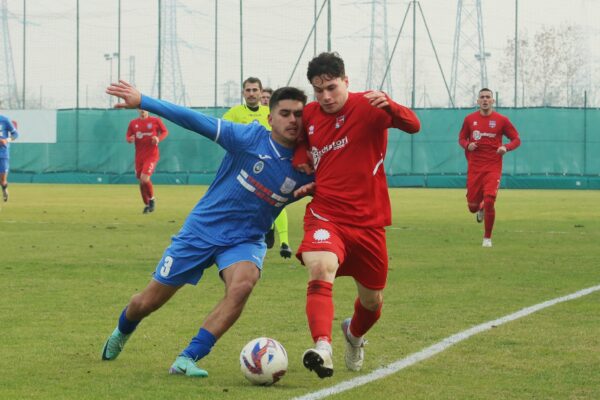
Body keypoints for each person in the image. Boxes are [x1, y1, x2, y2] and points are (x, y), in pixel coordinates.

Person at [101, 80, 312, 378]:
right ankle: (122, 331)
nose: (293, 120)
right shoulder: (248, 137)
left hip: (246, 239)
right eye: (285, 113)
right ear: (270, 117)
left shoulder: (310, 164)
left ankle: (188, 358)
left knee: (242, 286)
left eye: (299, 115)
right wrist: (144, 101)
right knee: (146, 302)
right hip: (201, 231)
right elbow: (194, 120)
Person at [292, 52, 421, 378]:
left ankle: (354, 335)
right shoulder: (309, 114)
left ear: (346, 81)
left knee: (372, 302)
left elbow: (413, 125)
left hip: (368, 222)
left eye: (332, 88)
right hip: (325, 214)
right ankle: (323, 347)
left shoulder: (370, 106)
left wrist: (391, 105)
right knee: (320, 267)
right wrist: (302, 159)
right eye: (318, 90)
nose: (325, 97)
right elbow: (302, 142)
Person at [223, 78, 293, 259]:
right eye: (248, 90)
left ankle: (284, 241)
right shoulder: (235, 112)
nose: (252, 93)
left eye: (255, 90)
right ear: (243, 93)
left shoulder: (269, 112)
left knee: (278, 199)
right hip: (243, 168)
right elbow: (224, 132)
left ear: (261, 93)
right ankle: (255, 234)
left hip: (270, 166)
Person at [458, 88, 521, 247]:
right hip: (475, 168)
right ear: (478, 101)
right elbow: (461, 138)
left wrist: (506, 148)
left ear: (493, 101)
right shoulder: (469, 119)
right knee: (472, 207)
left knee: (490, 200)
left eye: (488, 97)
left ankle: (487, 238)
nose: (485, 100)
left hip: (493, 167)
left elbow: (516, 139)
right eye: (482, 97)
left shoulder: (502, 120)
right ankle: (479, 208)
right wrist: (467, 144)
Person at [126, 109, 169, 214]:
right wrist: (129, 139)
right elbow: (128, 136)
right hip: (139, 157)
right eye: (141, 109)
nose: (143, 111)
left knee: (144, 179)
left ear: (148, 110)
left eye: (144, 109)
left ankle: (152, 199)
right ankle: (147, 204)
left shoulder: (155, 120)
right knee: (141, 182)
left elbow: (165, 131)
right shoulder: (133, 123)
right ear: (138, 110)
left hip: (151, 155)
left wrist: (158, 138)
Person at [0, 114, 19, 202]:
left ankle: (4, 188)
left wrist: (6, 140)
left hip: (3, 154)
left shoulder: (5, 120)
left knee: (3, 180)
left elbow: (15, 134)